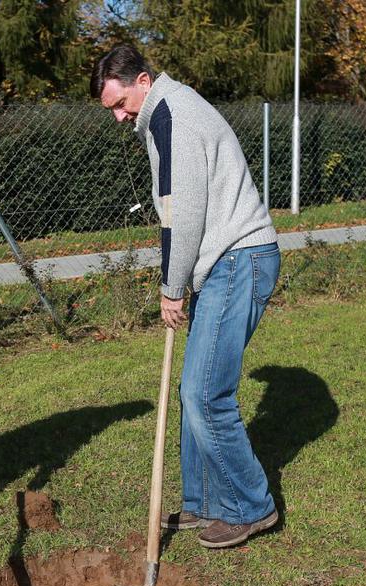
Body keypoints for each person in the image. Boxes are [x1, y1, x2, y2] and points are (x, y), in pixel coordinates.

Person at [91, 46, 281, 549]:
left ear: (143, 81)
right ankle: (203, 504)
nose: (117, 116)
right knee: (194, 390)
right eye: (110, 108)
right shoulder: (165, 110)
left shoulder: (170, 114)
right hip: (222, 263)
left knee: (204, 393)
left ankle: (249, 506)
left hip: (237, 260)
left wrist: (171, 289)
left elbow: (183, 214)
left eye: (119, 103)